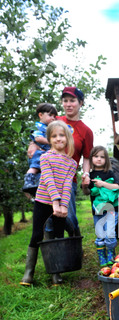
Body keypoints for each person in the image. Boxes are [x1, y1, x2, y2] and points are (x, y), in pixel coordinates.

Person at [27, 86, 93, 237]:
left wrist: (86, 174)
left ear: (80, 102)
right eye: (65, 101)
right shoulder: (54, 121)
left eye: (72, 101)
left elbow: (87, 157)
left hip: (68, 179)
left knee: (68, 217)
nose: (68, 104)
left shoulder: (85, 131)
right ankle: (52, 255)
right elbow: (40, 137)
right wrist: (32, 144)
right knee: (48, 222)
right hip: (48, 178)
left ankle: (73, 249)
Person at [20, 120, 77, 287]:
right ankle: (28, 273)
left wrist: (64, 205)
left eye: (61, 135)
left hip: (60, 204)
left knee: (58, 235)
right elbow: (49, 181)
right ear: (49, 139)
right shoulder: (44, 158)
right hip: (44, 201)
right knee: (37, 235)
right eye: (54, 136)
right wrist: (55, 203)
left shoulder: (71, 163)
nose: (58, 139)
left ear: (67, 138)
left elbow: (67, 184)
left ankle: (56, 272)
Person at [82, 146, 119, 267]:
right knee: (100, 235)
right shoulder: (90, 175)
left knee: (110, 233)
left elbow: (117, 187)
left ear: (106, 159)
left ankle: (111, 255)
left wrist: (103, 184)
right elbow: (86, 192)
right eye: (96, 156)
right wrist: (84, 185)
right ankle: (102, 257)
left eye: (102, 157)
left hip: (111, 209)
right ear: (91, 158)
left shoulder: (109, 173)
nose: (99, 159)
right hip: (98, 211)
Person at [22, 103, 57, 198]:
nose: (53, 118)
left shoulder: (48, 128)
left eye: (54, 116)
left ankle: (36, 186)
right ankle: (28, 182)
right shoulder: (38, 126)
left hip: (44, 154)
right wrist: (52, 142)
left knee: (42, 171)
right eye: (50, 115)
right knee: (35, 167)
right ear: (40, 115)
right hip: (38, 153)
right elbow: (37, 138)